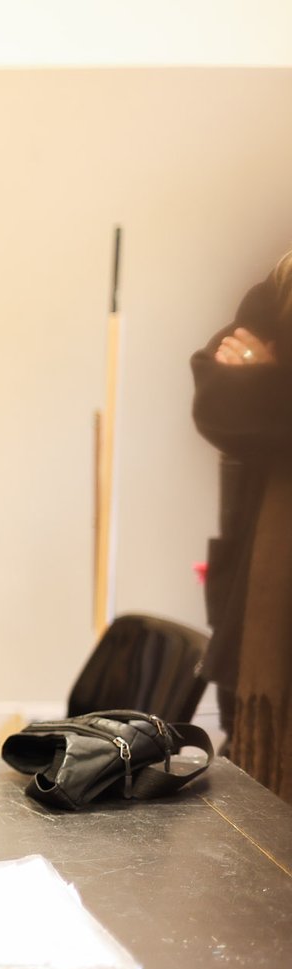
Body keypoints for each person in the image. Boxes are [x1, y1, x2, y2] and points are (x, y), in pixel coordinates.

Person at [191, 249, 292, 802]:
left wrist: (266, 383)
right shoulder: (283, 283)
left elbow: (245, 402)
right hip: (263, 613)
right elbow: (214, 399)